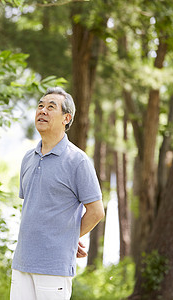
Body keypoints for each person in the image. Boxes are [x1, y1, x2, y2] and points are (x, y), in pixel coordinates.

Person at [10, 87, 105, 300]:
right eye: (40, 106)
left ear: (66, 118)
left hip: (53, 267)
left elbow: (96, 212)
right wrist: (68, 236)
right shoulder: (28, 158)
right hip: (22, 264)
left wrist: (69, 238)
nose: (42, 110)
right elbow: (35, 209)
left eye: (51, 107)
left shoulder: (78, 161)